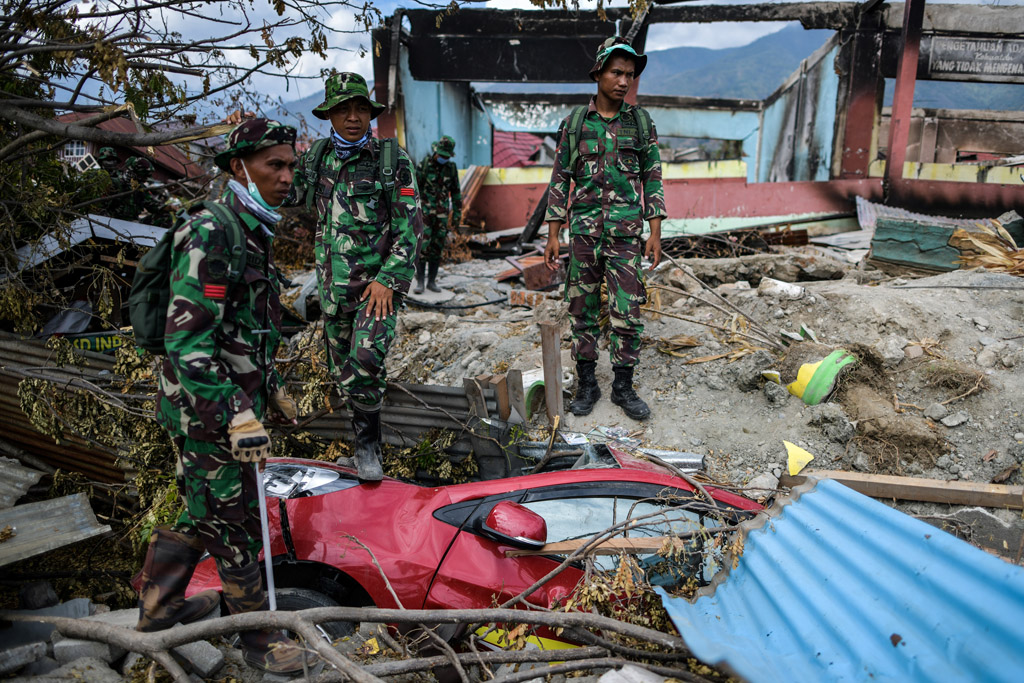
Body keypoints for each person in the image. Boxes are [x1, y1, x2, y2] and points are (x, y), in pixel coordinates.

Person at [139, 118, 315, 675]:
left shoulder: (250, 227)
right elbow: (186, 339)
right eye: (274, 166)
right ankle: (259, 640)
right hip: (206, 406)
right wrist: (237, 412)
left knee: (203, 508)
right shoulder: (213, 229)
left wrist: (275, 391)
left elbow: (245, 333)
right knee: (235, 521)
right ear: (239, 167)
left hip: (230, 400)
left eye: (291, 166)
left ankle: (156, 611)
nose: (287, 177)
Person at [289, 72, 420, 481]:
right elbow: (288, 201)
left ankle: (368, 452)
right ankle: (362, 445)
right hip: (332, 291)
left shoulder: (390, 160)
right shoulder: (317, 158)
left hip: (375, 291)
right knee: (343, 369)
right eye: (343, 109)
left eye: (360, 108)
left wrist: (390, 279)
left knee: (365, 362)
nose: (352, 117)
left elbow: (411, 227)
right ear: (329, 114)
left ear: (369, 112)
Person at [543, 37, 666, 421]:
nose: (624, 81)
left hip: (626, 234)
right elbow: (560, 178)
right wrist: (552, 234)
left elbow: (653, 177)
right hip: (583, 234)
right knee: (582, 309)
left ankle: (623, 387)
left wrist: (655, 231)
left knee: (627, 312)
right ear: (598, 73)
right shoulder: (576, 123)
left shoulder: (641, 123)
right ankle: (587, 383)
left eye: (630, 74)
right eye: (616, 72)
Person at [414, 135, 461, 293]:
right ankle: (420, 281)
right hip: (425, 215)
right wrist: (413, 212)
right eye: (441, 156)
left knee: (437, 248)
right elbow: (414, 189)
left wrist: (456, 215)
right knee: (423, 247)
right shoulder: (424, 165)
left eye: (446, 157)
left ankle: (431, 282)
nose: (443, 158)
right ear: (436, 152)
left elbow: (456, 193)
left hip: (441, 215)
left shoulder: (451, 169)